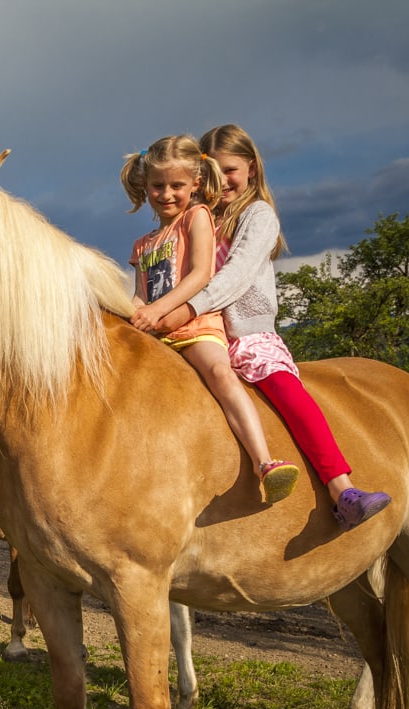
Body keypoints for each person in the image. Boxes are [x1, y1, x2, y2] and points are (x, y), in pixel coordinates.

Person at [137, 123, 391, 528]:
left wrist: (187, 309)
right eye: (216, 172)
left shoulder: (257, 216)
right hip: (194, 330)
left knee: (286, 390)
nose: (224, 181)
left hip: (244, 332)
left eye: (231, 170)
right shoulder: (194, 218)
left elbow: (234, 275)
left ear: (251, 169)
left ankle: (340, 488)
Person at [122, 135, 300, 504]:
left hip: (195, 327)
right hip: (159, 332)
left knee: (220, 373)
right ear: (145, 185)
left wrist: (158, 310)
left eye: (176, 185)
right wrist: (128, 318)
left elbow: (201, 274)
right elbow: (140, 294)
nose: (166, 194)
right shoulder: (143, 244)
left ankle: (264, 461)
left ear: (196, 184)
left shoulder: (196, 217)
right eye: (158, 185)